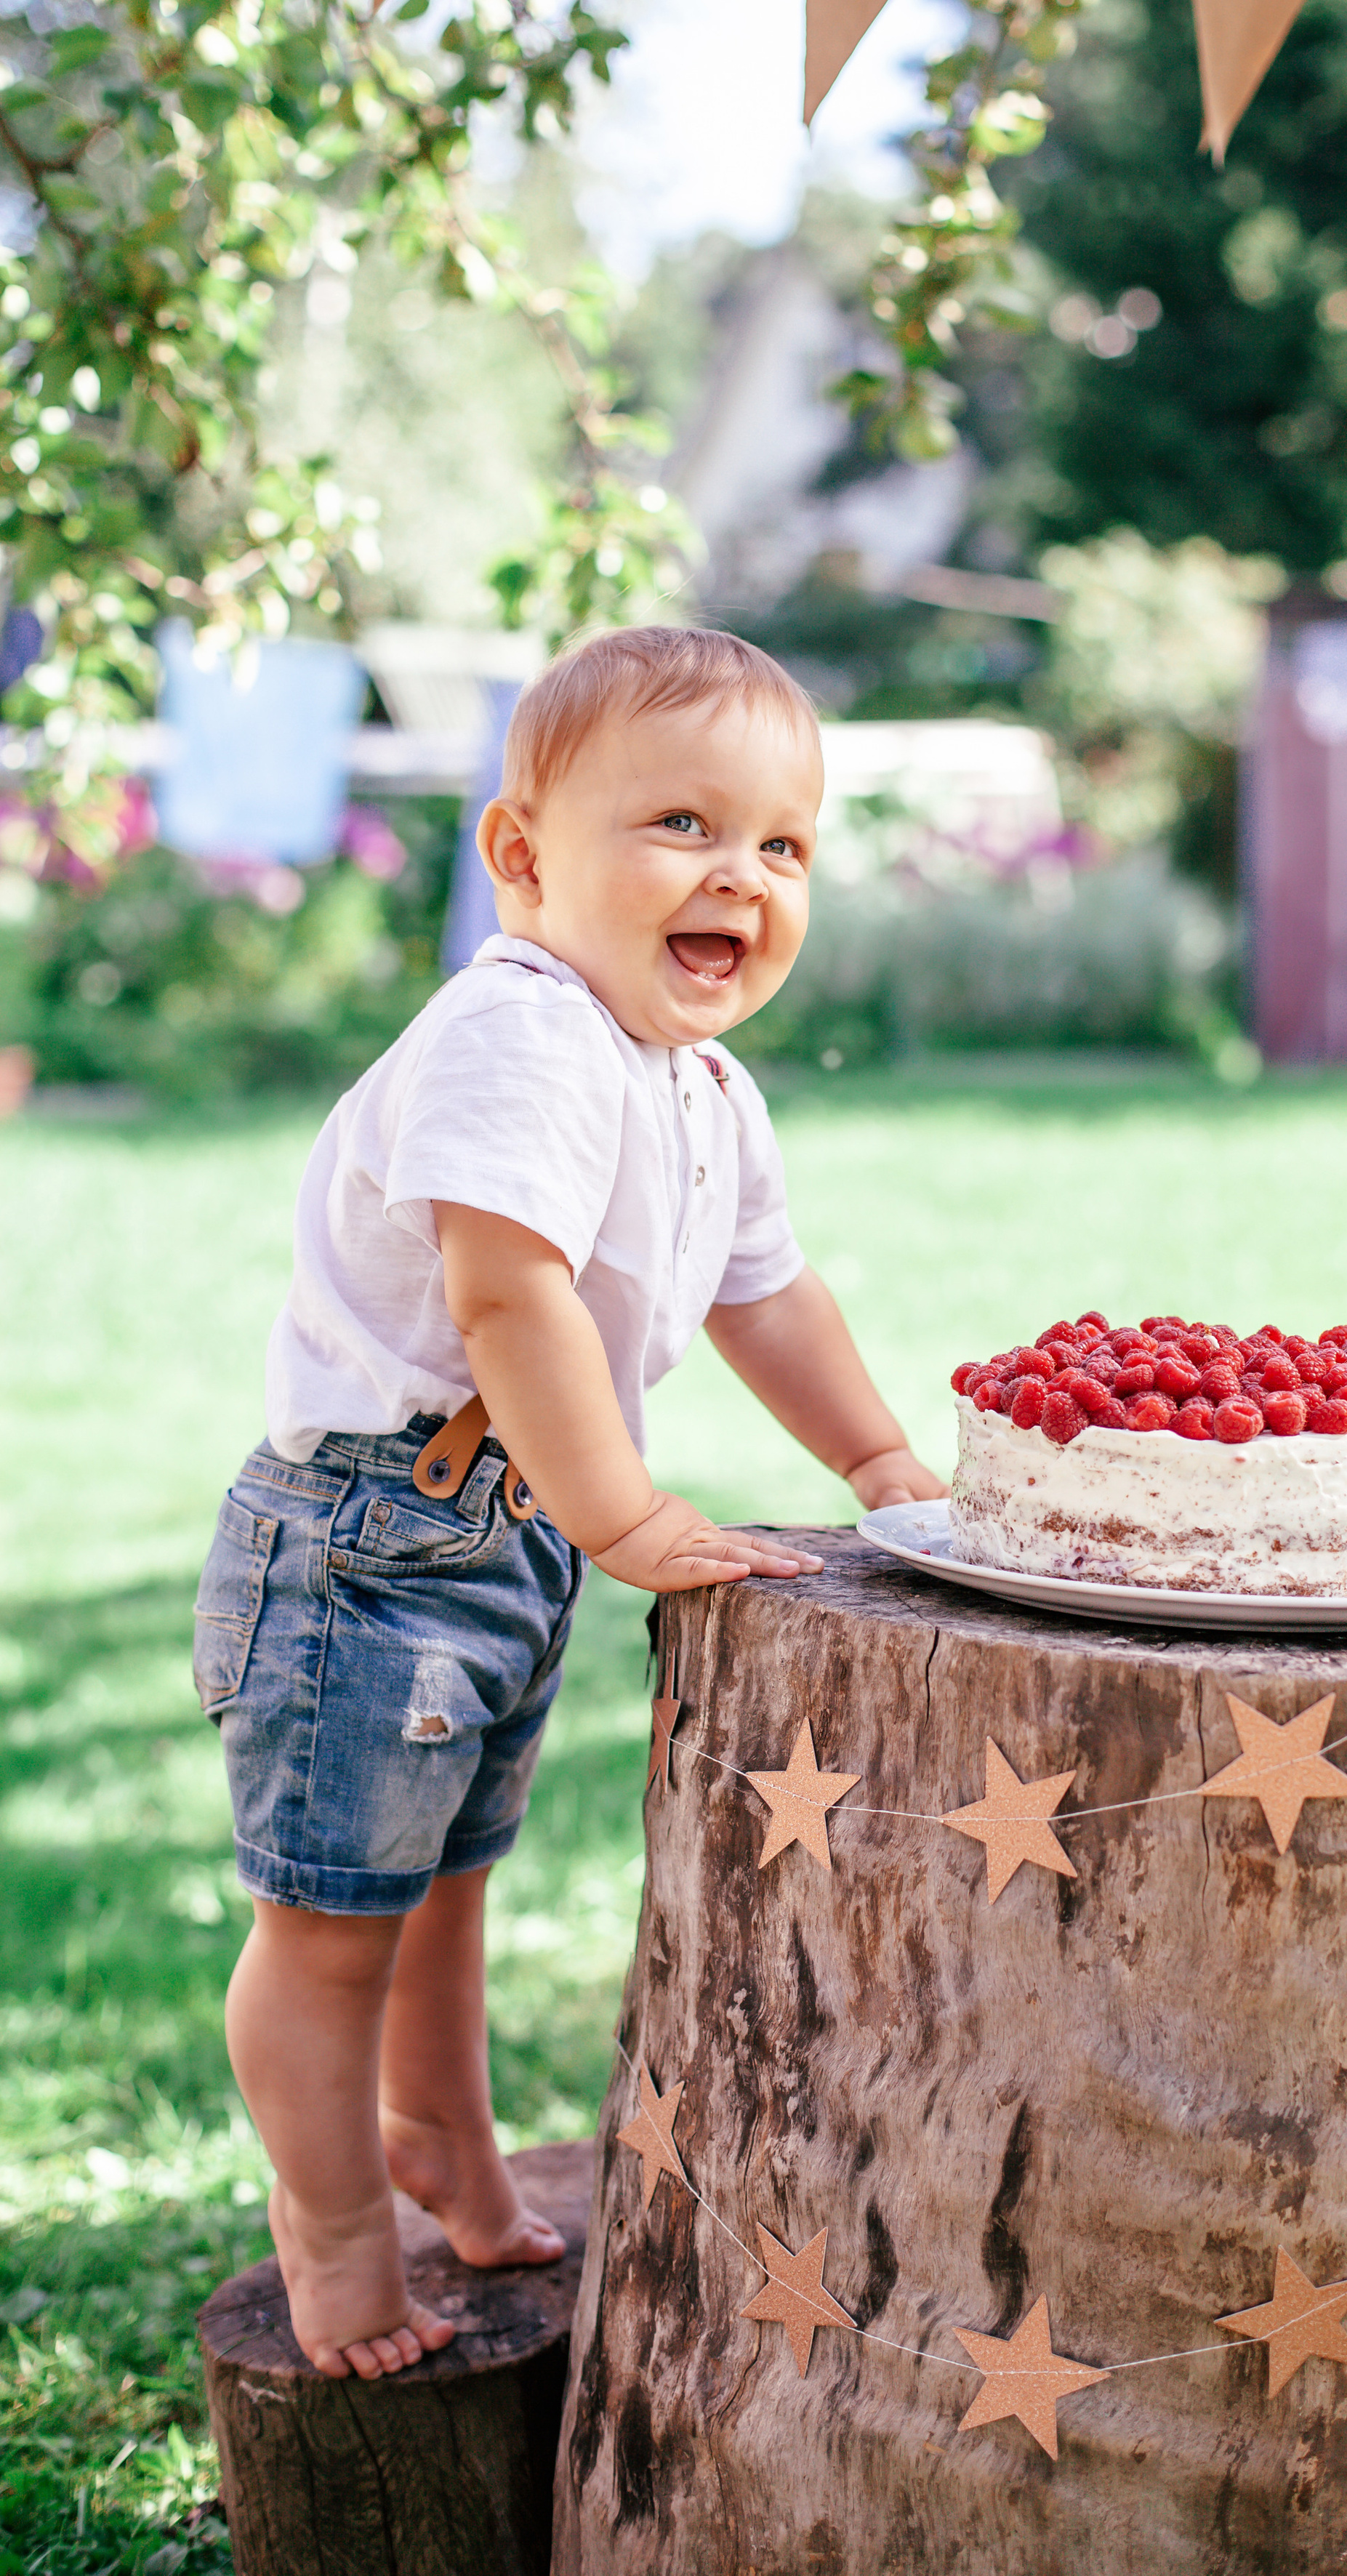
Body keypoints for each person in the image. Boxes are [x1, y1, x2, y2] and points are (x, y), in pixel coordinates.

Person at [190, 625, 943, 2380]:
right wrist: (615, 1513)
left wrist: (881, 1462)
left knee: (449, 1875)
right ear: (522, 859)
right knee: (327, 1924)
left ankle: (439, 2131)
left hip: (501, 1535)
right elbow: (505, 1300)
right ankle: (331, 2230)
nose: (738, 879)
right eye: (680, 825)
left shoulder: (698, 1083)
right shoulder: (518, 1035)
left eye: (781, 845)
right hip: (371, 1546)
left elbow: (766, 1295)